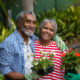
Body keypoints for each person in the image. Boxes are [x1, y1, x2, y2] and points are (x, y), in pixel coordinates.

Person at [0, 10, 38, 80]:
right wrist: (28, 77)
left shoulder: (34, 39)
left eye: (34, 23)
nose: (31, 25)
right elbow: (4, 70)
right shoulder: (9, 43)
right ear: (19, 23)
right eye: (28, 21)